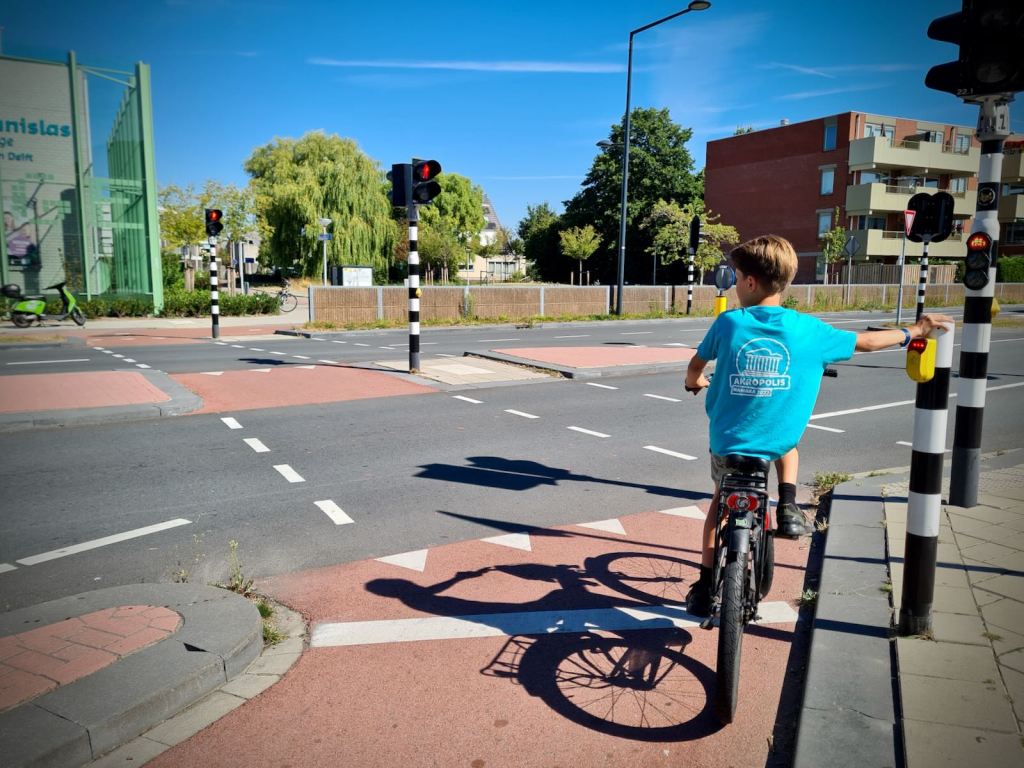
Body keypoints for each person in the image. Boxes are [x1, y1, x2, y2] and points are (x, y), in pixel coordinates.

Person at [683, 234, 952, 616]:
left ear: (749, 282)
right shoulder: (810, 330)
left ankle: (705, 582)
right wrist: (916, 331)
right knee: (785, 443)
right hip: (778, 438)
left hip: (727, 442)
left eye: (737, 274)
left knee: (718, 503)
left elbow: (696, 365)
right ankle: (789, 505)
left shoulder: (728, 324)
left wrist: (694, 381)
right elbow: (867, 343)